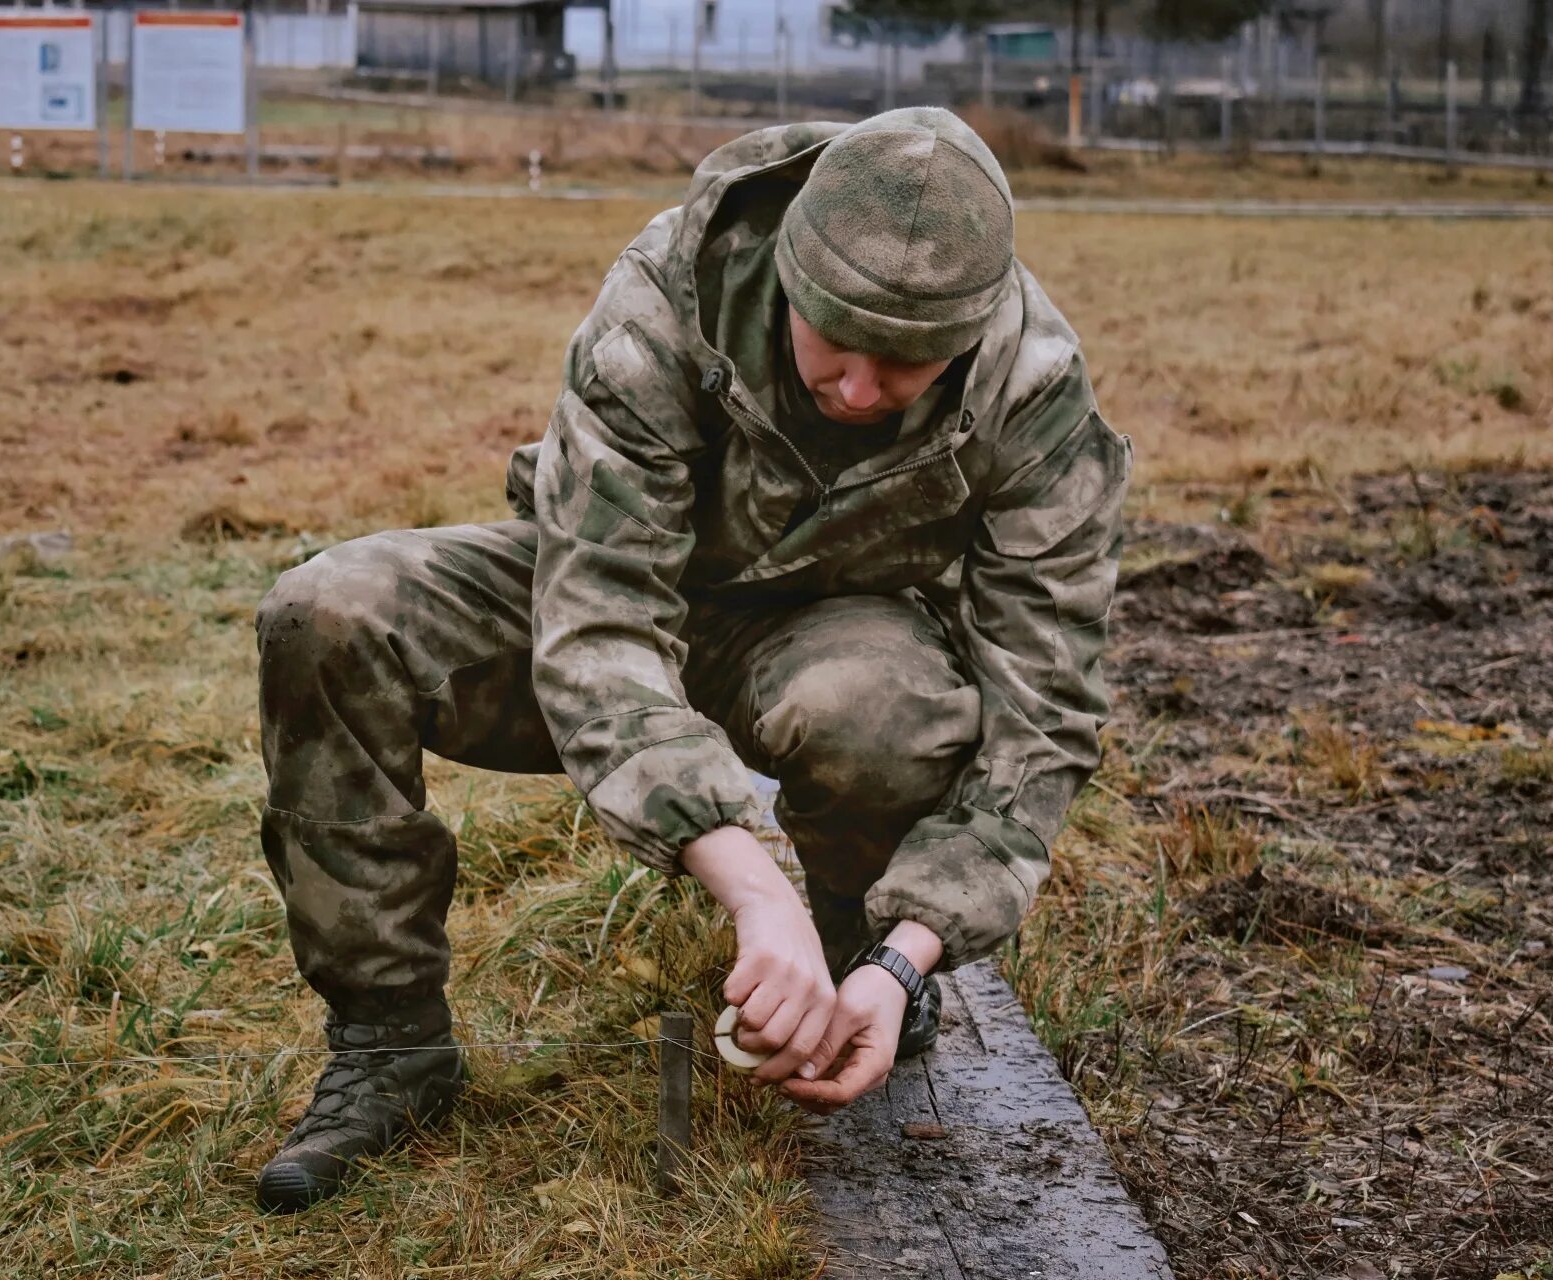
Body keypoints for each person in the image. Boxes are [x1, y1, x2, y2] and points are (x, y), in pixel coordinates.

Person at [251, 107, 1130, 1213]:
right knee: (328, 613)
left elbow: (1043, 708)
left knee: (890, 706)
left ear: (968, 333)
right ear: (789, 273)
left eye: (904, 365)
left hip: (829, 634)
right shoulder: (670, 294)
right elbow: (604, 619)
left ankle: (856, 955)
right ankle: (390, 1045)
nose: (860, 391)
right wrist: (757, 892)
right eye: (836, 343)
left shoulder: (1031, 387)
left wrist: (909, 951)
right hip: (619, 599)